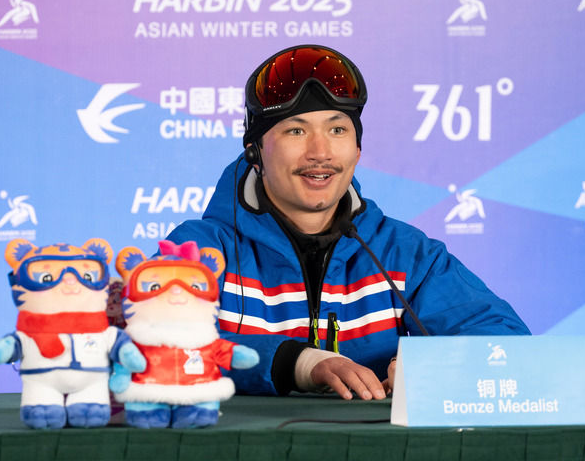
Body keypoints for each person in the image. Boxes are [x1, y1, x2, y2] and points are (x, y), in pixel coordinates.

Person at [165, 45, 530, 400]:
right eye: (296, 131)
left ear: (357, 151)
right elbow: (155, 342)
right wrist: (299, 364)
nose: (320, 153)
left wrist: (438, 366)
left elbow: (505, 342)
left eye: (337, 130)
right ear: (255, 153)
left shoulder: (403, 253)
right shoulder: (199, 251)